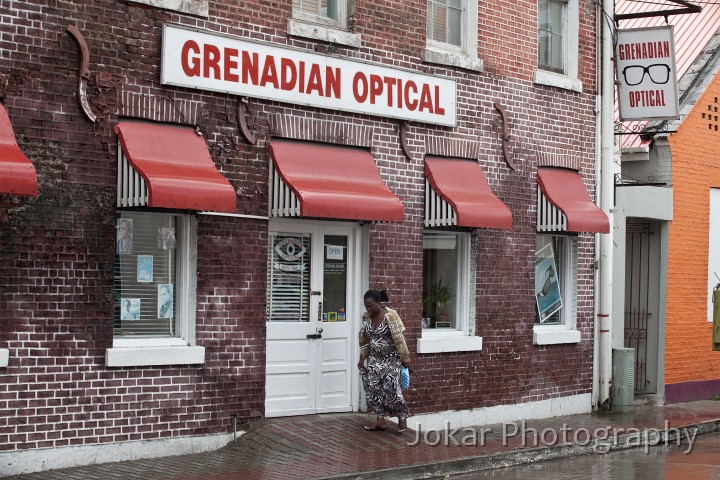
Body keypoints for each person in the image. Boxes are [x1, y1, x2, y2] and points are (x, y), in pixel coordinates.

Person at [357, 289, 411, 433]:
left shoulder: (391, 316)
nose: (368, 309)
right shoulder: (366, 317)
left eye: (371, 305)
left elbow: (399, 338)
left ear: (379, 302)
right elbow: (364, 339)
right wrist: (362, 358)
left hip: (391, 359)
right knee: (373, 389)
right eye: (366, 306)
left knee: (391, 387)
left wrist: (405, 356)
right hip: (374, 359)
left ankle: (402, 417)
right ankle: (380, 420)